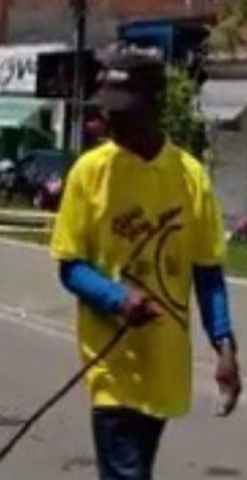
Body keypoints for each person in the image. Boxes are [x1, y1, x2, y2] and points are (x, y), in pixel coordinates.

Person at [50, 52, 242, 480]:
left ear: (155, 106)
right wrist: (116, 298)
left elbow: (208, 272)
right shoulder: (89, 172)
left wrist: (225, 346)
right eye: (106, 110)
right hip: (112, 362)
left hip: (164, 363)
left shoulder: (190, 177)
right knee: (127, 472)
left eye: (123, 111)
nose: (110, 121)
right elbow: (69, 265)